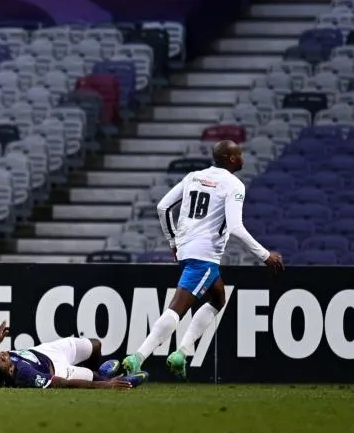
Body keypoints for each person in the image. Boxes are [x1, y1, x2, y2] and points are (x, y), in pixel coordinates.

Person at [121, 140, 284, 379]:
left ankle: (182, 353)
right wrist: (265, 255)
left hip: (187, 248)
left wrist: (173, 242)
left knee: (218, 298)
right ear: (230, 159)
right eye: (239, 153)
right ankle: (137, 357)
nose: (242, 157)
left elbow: (163, 207)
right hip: (204, 254)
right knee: (176, 309)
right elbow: (236, 227)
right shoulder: (234, 185)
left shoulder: (194, 177)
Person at [0, 321, 148, 389]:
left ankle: (102, 372)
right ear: (10, 372)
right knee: (93, 377)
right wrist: (104, 385)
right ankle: (105, 377)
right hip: (59, 369)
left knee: (95, 345)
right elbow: (61, 382)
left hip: (45, 350)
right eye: (2, 359)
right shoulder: (24, 374)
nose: (1, 354)